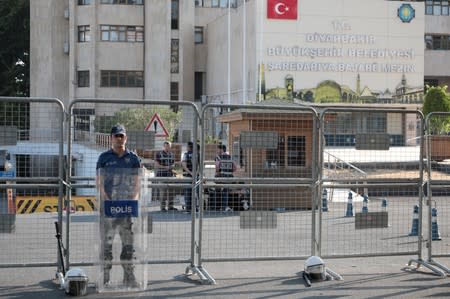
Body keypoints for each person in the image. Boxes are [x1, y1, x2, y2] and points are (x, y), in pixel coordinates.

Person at [96, 124, 141, 287]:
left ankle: (129, 277)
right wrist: (107, 200)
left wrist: (134, 199)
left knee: (128, 245)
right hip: (108, 208)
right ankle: (105, 277)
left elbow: (137, 183)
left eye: (122, 136)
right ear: (111, 138)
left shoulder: (133, 158)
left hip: (127, 208)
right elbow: (99, 183)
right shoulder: (103, 158)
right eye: (116, 136)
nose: (119, 139)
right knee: (106, 244)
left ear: (126, 138)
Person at [155, 141, 177, 211]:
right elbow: (156, 165)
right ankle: (163, 207)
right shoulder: (159, 154)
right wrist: (165, 167)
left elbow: (173, 164)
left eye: (169, 146)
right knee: (163, 192)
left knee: (171, 192)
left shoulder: (172, 154)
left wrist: (171, 167)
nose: (167, 147)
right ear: (163, 146)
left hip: (170, 175)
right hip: (161, 175)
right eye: (166, 146)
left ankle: (170, 206)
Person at [214, 144, 236, 211]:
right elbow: (235, 168)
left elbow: (217, 167)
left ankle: (217, 207)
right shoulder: (230, 157)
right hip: (229, 177)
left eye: (218, 149)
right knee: (225, 192)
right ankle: (224, 207)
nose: (217, 150)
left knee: (218, 191)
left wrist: (218, 172)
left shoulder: (218, 157)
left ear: (221, 149)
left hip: (220, 177)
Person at [181, 141, 199, 213]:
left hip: (187, 176)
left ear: (188, 147)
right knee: (195, 193)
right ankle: (196, 208)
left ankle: (188, 209)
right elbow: (199, 166)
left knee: (187, 193)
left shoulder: (186, 155)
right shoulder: (197, 154)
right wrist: (195, 173)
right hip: (196, 176)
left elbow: (184, 165)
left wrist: (190, 173)